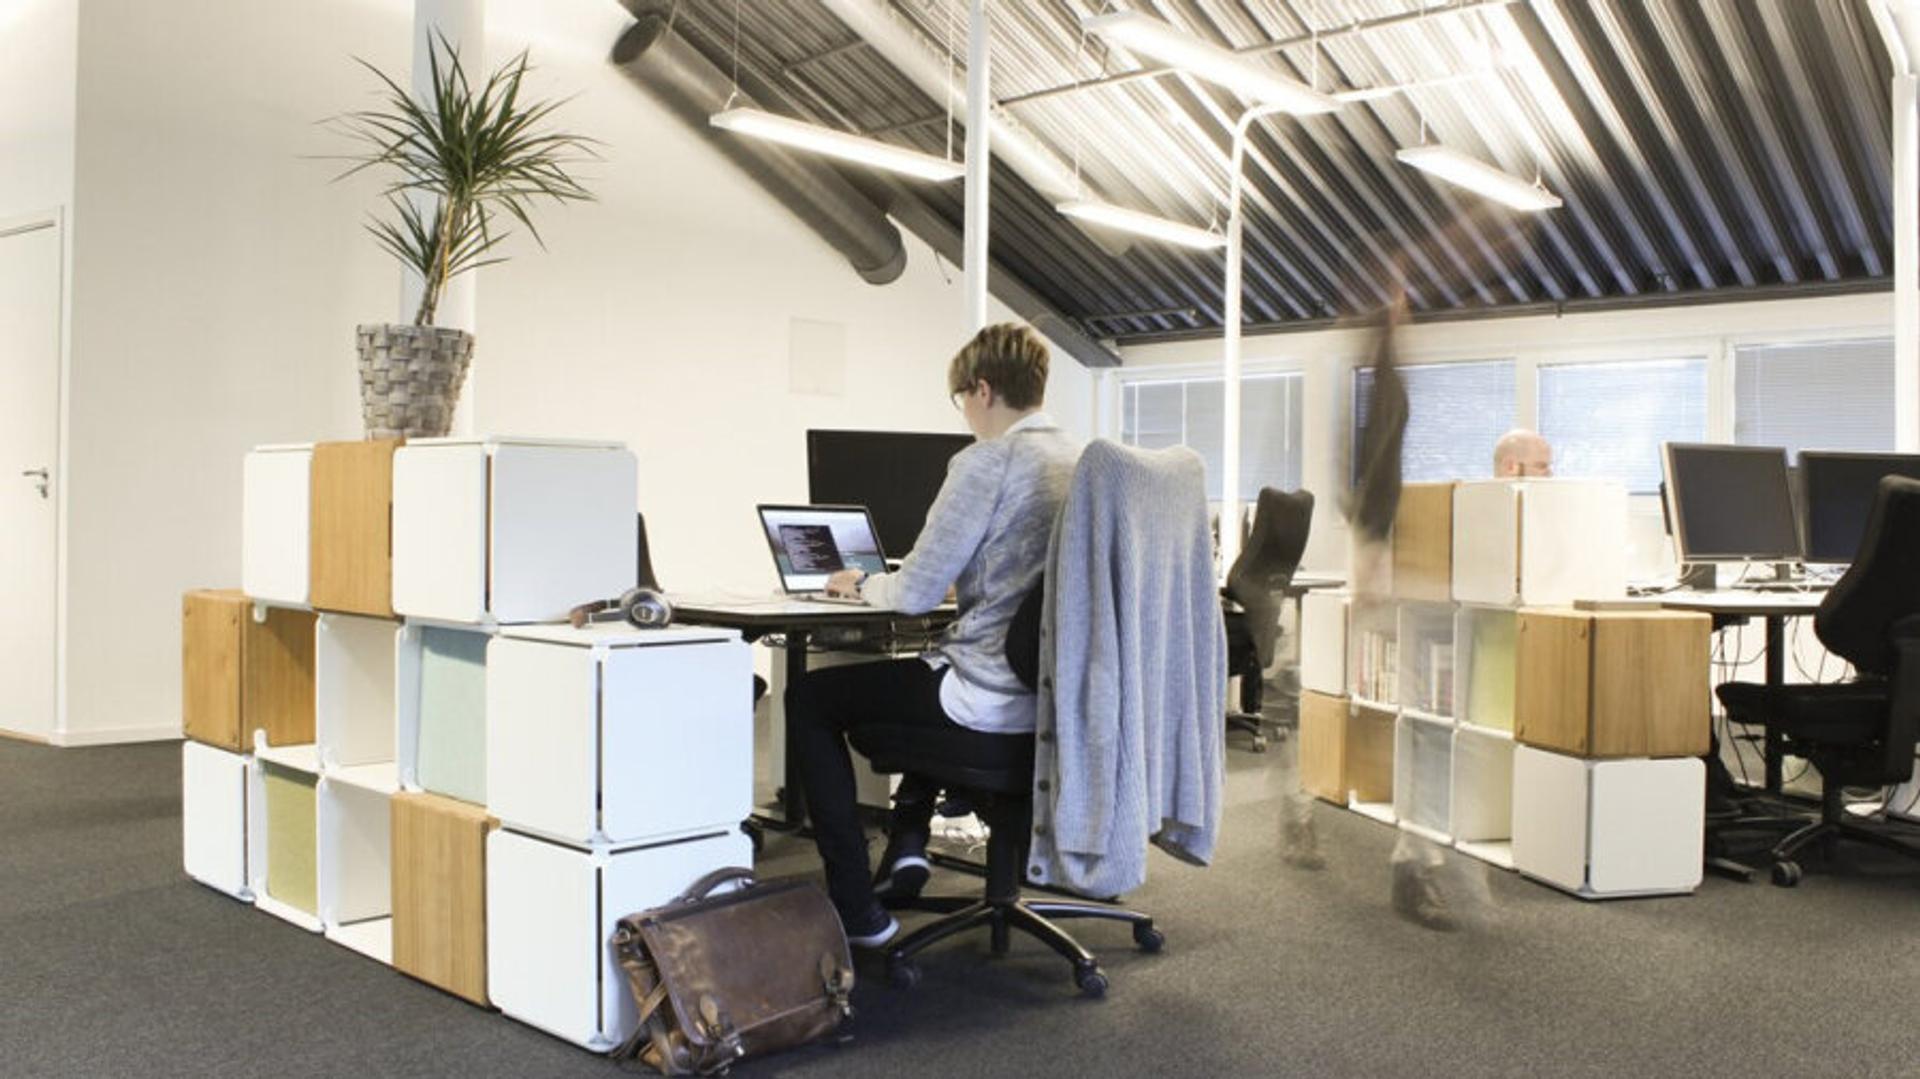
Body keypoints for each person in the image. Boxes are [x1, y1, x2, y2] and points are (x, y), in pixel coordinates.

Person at [786, 322, 1081, 948]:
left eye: (961, 401)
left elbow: (913, 594)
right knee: (920, 667)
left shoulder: (988, 461)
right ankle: (907, 844)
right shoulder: (1079, 460)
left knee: (811, 698)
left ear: (981, 390)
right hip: (1057, 701)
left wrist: (858, 584)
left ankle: (857, 911)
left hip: (987, 697)